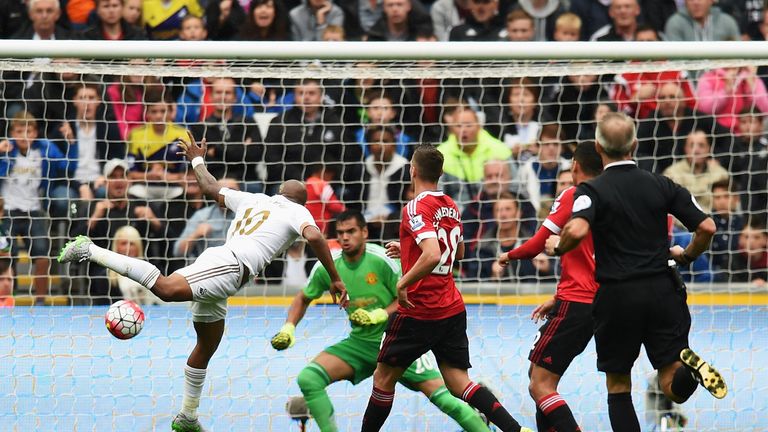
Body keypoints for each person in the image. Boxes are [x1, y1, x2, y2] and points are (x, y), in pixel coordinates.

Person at [58, 131, 348, 432]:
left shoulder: (255, 199)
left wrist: (197, 158)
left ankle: (187, 416)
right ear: (302, 200)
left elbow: (210, 186)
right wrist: (336, 279)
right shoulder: (298, 211)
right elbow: (314, 236)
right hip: (230, 265)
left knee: (206, 345)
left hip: (226, 267)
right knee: (168, 289)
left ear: (278, 191)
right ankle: (89, 249)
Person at [546, 112, 727, 431]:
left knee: (618, 388)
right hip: (662, 289)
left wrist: (556, 247)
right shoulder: (662, 184)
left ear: (598, 148)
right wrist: (685, 256)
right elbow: (707, 226)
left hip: (618, 296)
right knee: (671, 381)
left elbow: (575, 229)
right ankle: (688, 369)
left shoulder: (592, 190)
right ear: (635, 144)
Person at [359, 145, 531, 432]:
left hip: (419, 310)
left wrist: (403, 282)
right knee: (458, 382)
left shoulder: (414, 206)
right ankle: (516, 430)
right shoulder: (450, 204)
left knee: (383, 378)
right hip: (450, 307)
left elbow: (433, 254)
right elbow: (457, 252)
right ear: (440, 173)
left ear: (412, 170)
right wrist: (408, 249)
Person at [271, 210, 490, 432]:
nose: (345, 237)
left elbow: (409, 296)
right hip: (360, 344)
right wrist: (289, 328)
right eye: (340, 233)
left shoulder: (383, 260)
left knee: (445, 399)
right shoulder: (328, 266)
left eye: (351, 231)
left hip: (399, 343)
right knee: (309, 379)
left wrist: (380, 314)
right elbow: (303, 297)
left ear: (365, 232)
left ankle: (481, 420)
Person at [496, 141, 603, 432]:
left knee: (540, 384)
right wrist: (557, 298)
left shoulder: (573, 195)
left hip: (577, 302)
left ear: (576, 168)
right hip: (600, 300)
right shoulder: (613, 198)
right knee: (540, 376)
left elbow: (538, 243)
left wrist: (509, 255)